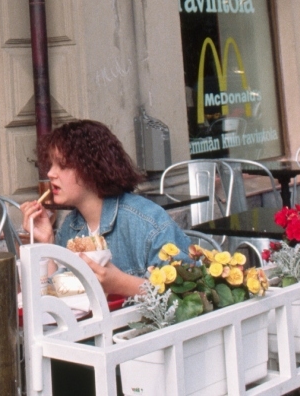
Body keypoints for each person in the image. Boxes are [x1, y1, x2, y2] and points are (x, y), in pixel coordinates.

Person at [21, 120, 190, 297]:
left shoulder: (146, 222)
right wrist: (47, 242)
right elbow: (59, 296)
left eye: (62, 166)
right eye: (51, 165)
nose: (50, 174)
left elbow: (186, 294)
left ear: (91, 168)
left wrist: (121, 284)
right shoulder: (71, 225)